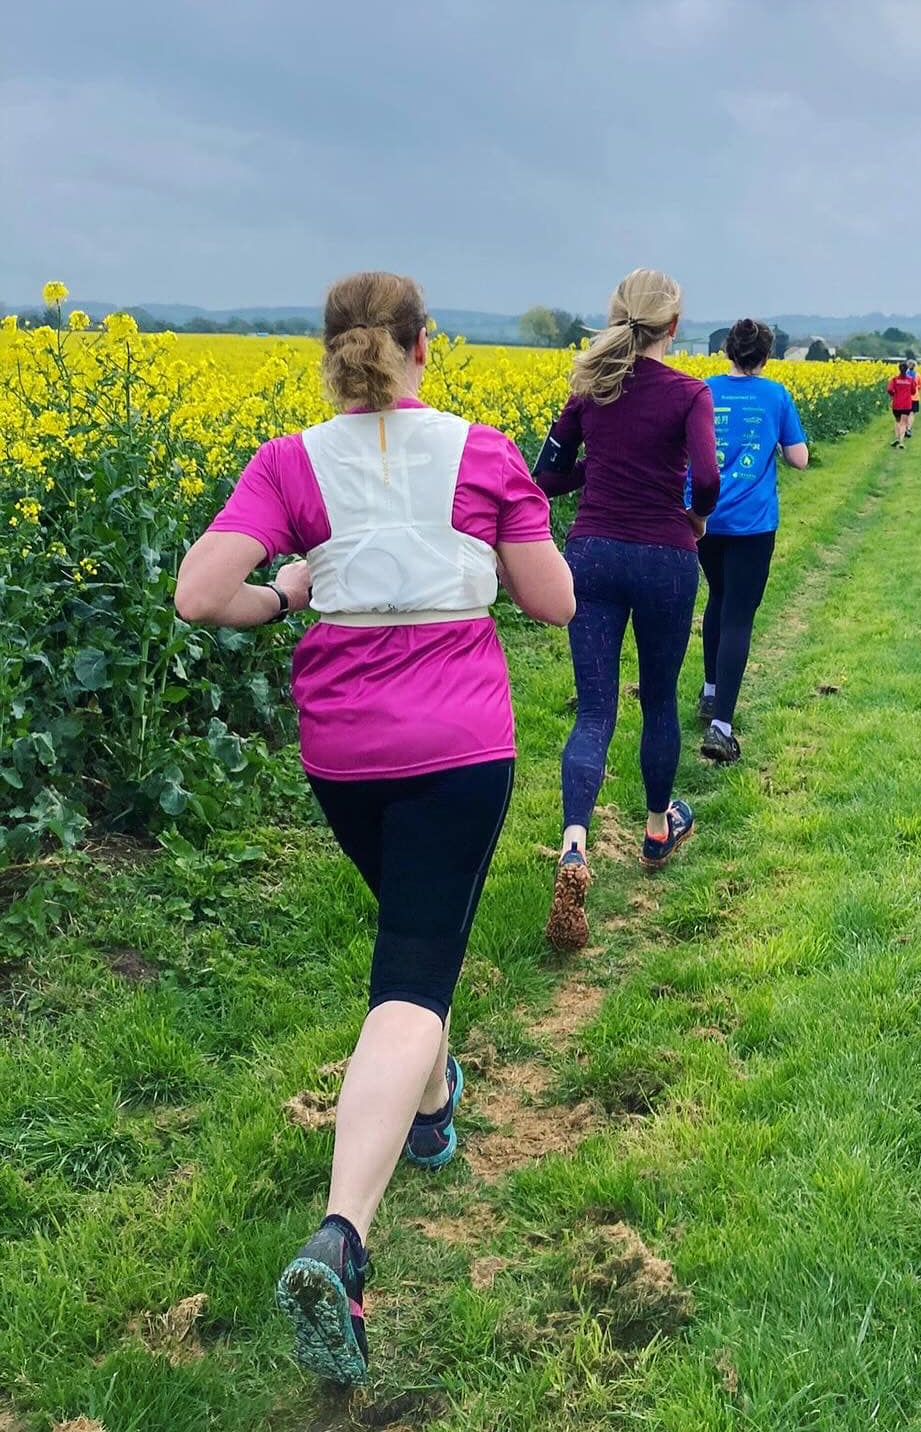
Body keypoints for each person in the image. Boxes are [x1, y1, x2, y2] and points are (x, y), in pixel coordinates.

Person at [174, 271, 574, 1387]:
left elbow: (201, 596)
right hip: (457, 749)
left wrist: (291, 593)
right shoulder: (483, 453)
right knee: (410, 982)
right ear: (422, 347)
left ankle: (437, 1105)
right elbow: (554, 604)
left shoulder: (290, 460)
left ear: (334, 351)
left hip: (342, 754)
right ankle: (343, 1239)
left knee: (417, 936)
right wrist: (487, 554)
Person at [532, 268, 719, 953]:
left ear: (616, 317)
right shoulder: (689, 392)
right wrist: (694, 520)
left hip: (594, 555)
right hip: (666, 557)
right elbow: (708, 479)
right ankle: (655, 826)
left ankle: (575, 847)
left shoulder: (590, 387)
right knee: (661, 700)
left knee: (594, 708)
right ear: (674, 327)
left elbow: (545, 477)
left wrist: (601, 470)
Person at [694, 318, 808, 764]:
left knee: (717, 598)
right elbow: (799, 459)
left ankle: (708, 691)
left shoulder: (704, 390)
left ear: (727, 351)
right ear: (766, 355)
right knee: (739, 615)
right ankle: (721, 726)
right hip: (753, 524)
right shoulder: (775, 395)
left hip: (704, 519)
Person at [887, 359, 914, 449]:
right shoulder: (910, 380)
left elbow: (889, 390)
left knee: (897, 421)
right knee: (903, 423)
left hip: (897, 404)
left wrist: (893, 396)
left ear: (899, 369)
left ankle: (897, 438)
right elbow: (913, 391)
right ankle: (901, 442)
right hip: (907, 404)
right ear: (906, 369)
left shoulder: (894, 379)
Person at [905, 359, 921, 438]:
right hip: (914, 397)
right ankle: (908, 429)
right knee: (911, 414)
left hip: (905, 397)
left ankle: (903, 429)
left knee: (905, 413)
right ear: (915, 367)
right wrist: (917, 388)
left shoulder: (904, 375)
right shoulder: (917, 375)